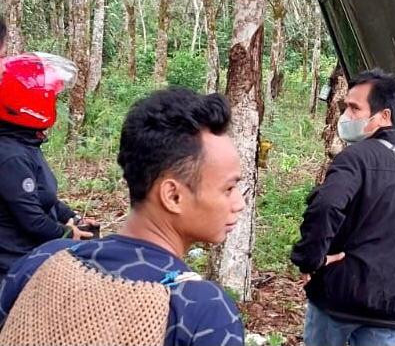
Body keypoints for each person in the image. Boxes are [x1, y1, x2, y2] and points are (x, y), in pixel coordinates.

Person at [0, 87, 246, 346]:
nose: (239, 203)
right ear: (173, 196)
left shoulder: (43, 259)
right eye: (228, 188)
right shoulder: (201, 309)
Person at [291, 69, 395, 346]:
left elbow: (325, 206)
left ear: (384, 115)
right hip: (389, 309)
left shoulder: (355, 158)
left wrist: (310, 259)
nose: (346, 115)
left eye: (354, 108)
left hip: (339, 298)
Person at [0, 49, 96, 280]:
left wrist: (71, 217)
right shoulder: (11, 156)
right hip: (15, 266)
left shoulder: (23, 142)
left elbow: (41, 195)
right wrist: (65, 233)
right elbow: (32, 219)